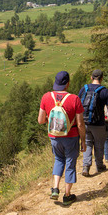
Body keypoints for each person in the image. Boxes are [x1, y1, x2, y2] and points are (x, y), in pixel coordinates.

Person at [37, 71, 87, 206]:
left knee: (59, 159)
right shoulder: (75, 99)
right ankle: (67, 195)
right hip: (71, 137)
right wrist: (83, 140)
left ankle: (55, 188)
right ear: (67, 84)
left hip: (54, 136)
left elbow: (40, 120)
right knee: (70, 163)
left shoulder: (46, 97)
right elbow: (81, 123)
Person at [78, 69, 108, 177]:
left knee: (87, 143)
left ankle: (86, 166)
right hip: (99, 123)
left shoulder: (84, 89)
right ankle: (99, 165)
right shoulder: (105, 91)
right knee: (99, 144)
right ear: (102, 78)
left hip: (84, 122)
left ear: (91, 77)